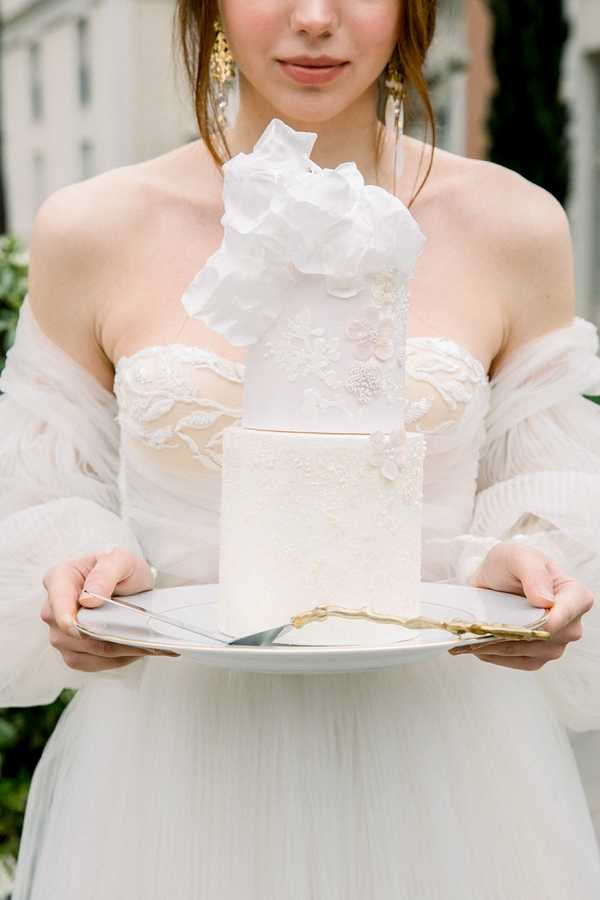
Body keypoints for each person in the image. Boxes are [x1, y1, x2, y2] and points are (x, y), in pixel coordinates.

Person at [2, 1, 600, 897]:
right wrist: (82, 568)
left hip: (445, 765)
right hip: (177, 770)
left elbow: (549, 485)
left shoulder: (514, 226)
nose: (314, 19)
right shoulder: (93, 228)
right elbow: (38, 488)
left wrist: (525, 558)